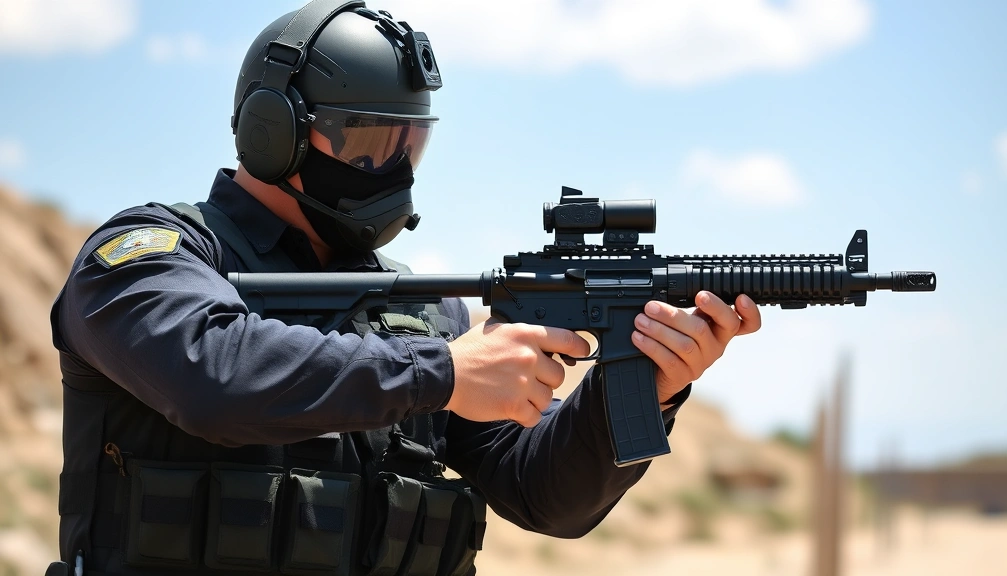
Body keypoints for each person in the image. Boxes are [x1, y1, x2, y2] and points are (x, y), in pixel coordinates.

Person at [49, 2, 761, 575]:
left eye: (410, 144)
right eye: (369, 143)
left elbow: (547, 497)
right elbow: (213, 377)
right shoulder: (145, 259)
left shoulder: (420, 314)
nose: (395, 171)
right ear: (276, 136)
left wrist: (644, 388)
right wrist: (445, 373)